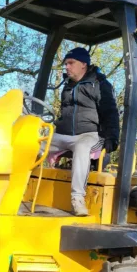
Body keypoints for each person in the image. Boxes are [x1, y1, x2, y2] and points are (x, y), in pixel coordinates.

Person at [48, 47, 120, 216]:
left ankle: (77, 199)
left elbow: (110, 112)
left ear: (83, 64)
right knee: (32, 141)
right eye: (66, 63)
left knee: (81, 147)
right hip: (64, 135)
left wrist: (112, 137)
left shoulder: (100, 85)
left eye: (71, 63)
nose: (67, 67)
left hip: (89, 135)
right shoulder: (67, 86)